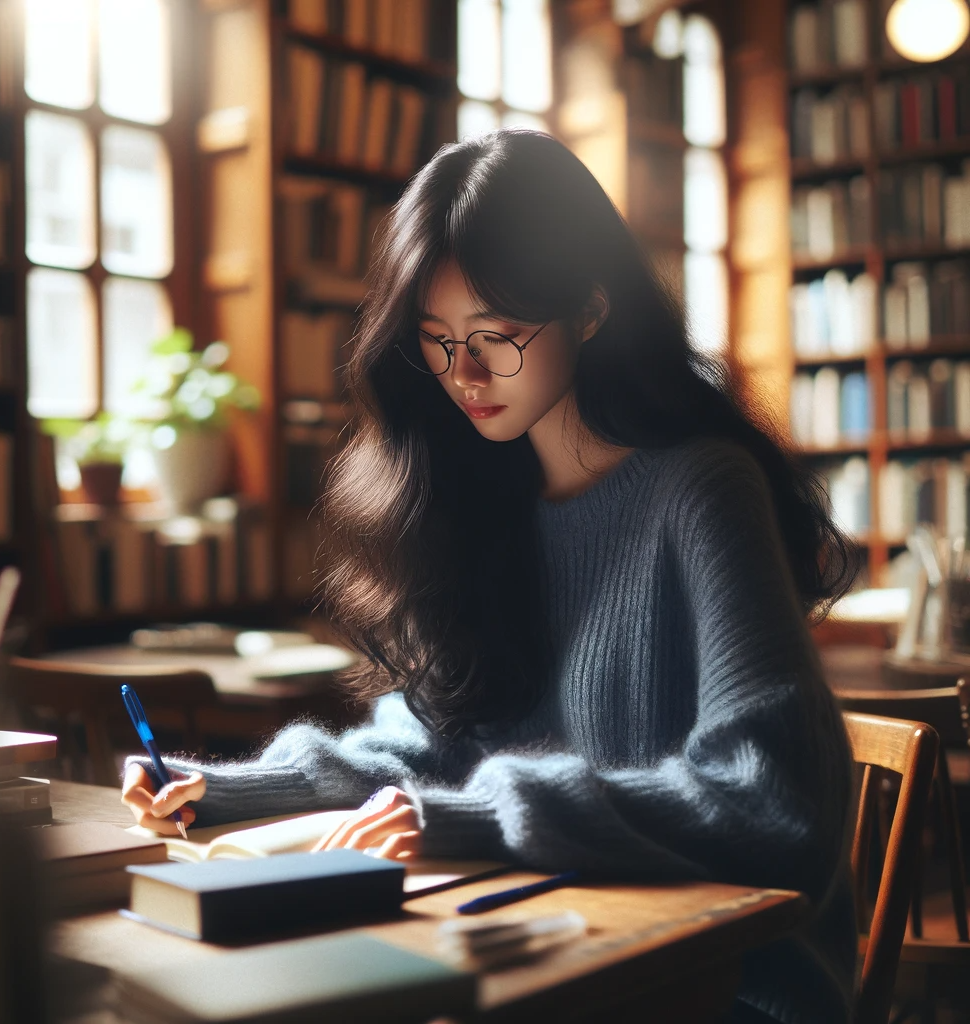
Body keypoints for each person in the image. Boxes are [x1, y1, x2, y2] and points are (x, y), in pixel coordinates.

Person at [122, 129, 858, 1024]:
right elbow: (430, 738)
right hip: (548, 956)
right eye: (436, 342)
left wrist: (474, 817)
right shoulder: (483, 492)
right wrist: (228, 790)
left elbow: (775, 805)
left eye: (496, 338)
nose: (463, 377)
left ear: (590, 310)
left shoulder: (700, 491)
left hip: (722, 987)